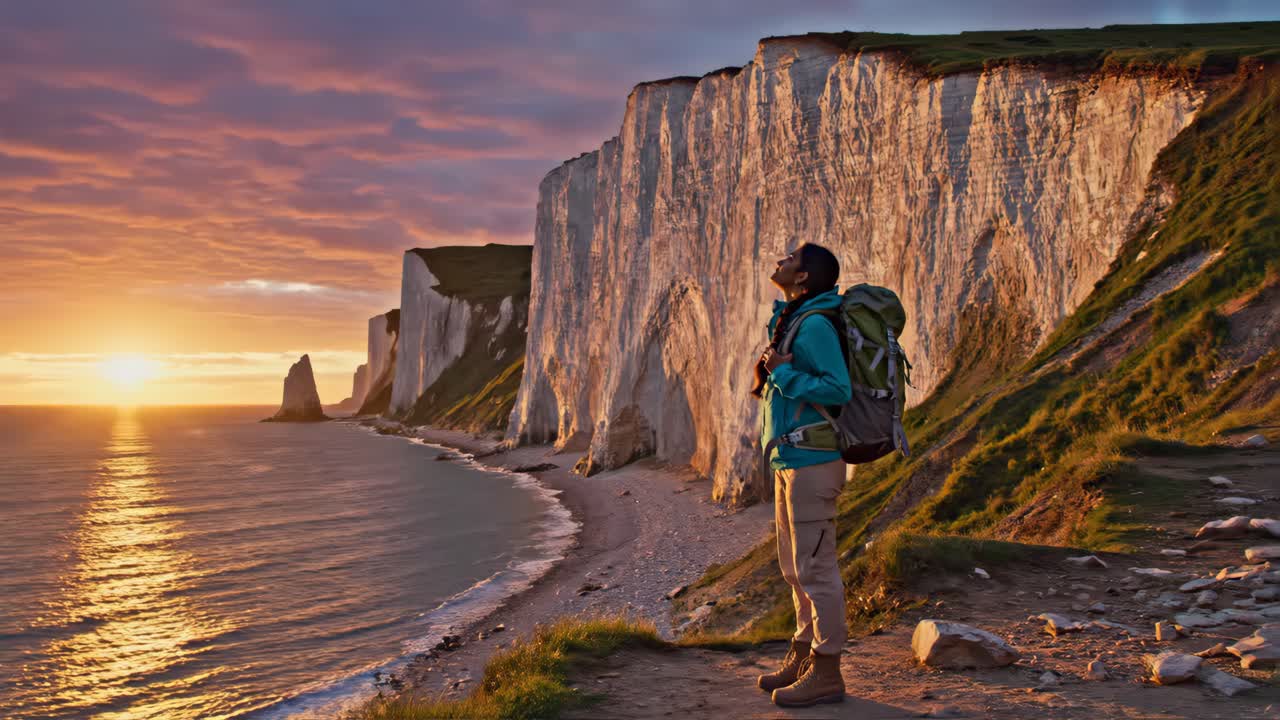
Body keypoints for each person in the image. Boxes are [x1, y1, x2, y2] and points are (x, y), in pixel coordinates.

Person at [751, 242, 851, 707]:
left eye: (789, 258)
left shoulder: (813, 325)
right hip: (791, 461)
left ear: (805, 277)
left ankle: (827, 670)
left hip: (813, 462)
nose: (780, 261)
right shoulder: (794, 319)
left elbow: (837, 389)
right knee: (794, 569)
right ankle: (803, 654)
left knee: (817, 568)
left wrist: (783, 375)